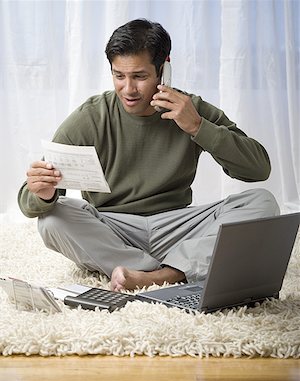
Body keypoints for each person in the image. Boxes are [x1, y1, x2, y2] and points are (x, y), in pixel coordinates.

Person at [18, 19, 280, 292]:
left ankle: (154, 275)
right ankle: (174, 269)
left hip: (177, 227)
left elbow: (258, 170)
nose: (128, 89)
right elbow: (28, 201)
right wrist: (43, 193)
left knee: (263, 202)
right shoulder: (92, 116)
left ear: (164, 69)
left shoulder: (191, 109)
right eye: (119, 76)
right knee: (52, 220)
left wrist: (197, 127)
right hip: (113, 228)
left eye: (139, 77)